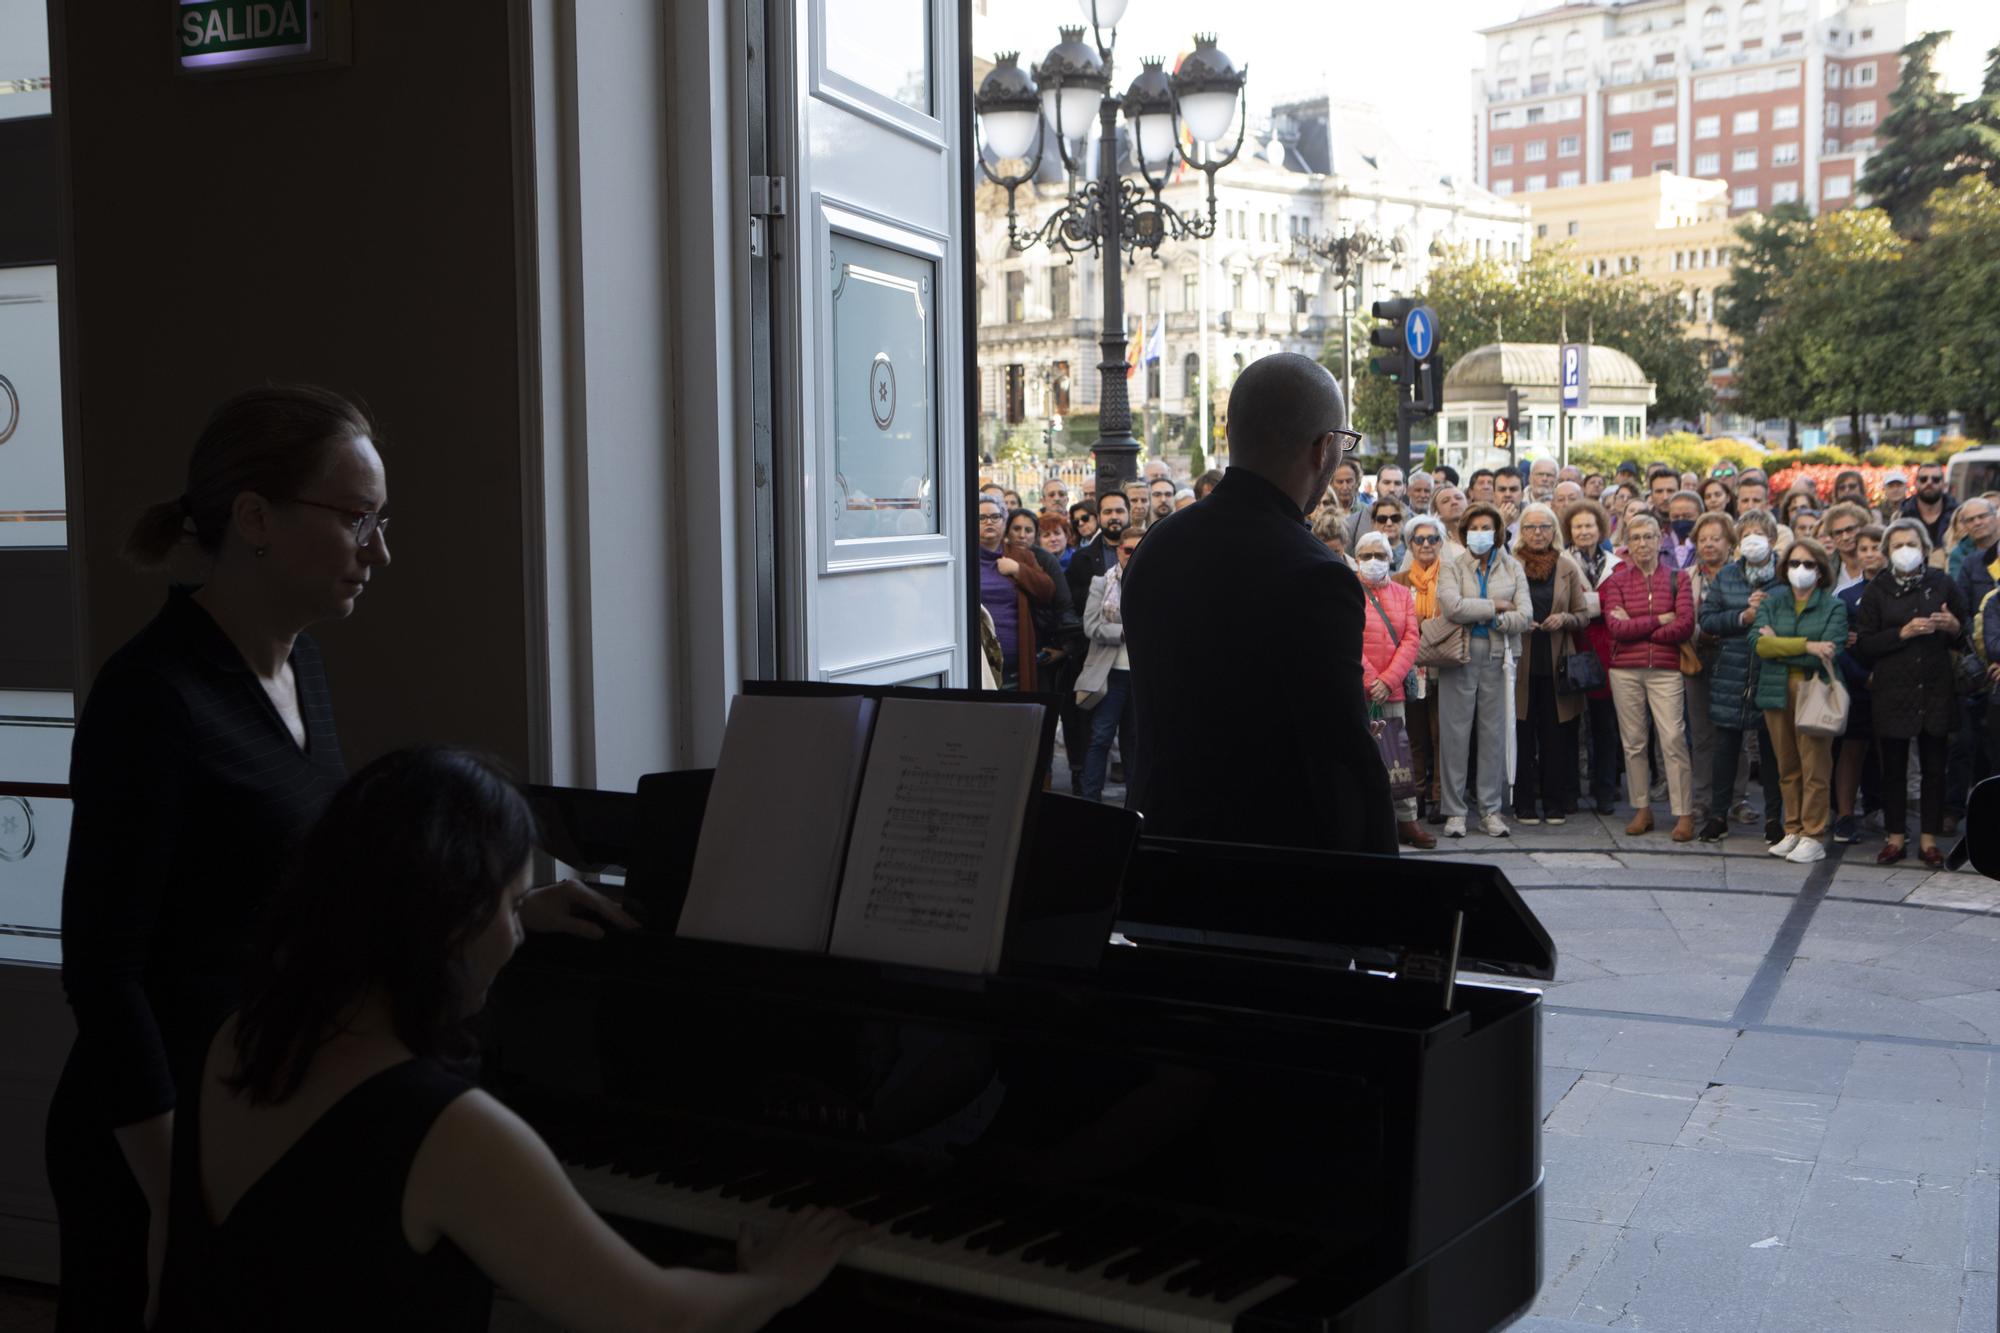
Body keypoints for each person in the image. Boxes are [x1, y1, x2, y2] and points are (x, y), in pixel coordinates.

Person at [49, 386, 628, 1331]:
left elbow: (322, 898)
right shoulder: (149, 698)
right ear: (255, 519)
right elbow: (104, 976)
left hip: (254, 1112)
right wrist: (173, 1198)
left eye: (381, 520)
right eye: (359, 518)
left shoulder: (298, 668)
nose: (380, 549)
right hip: (149, 1137)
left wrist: (510, 913)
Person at [158, 748, 860, 1330]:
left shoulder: (238, 1039)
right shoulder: (448, 1132)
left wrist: (509, 907)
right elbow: (662, 1318)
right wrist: (775, 1281)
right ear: (449, 922)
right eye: (509, 903)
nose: (518, 929)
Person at [1121, 352, 1397, 854]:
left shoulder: (1158, 545)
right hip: (1266, 865)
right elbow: (1340, 758)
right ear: (1323, 449)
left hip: (1161, 844)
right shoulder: (1318, 575)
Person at [1853, 519, 1966, 866]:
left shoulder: (1942, 583)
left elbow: (1964, 632)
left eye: (1911, 544)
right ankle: (1896, 837)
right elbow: (1864, 643)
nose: (1905, 551)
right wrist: (1901, 633)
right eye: (1898, 545)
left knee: (1934, 767)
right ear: (1887, 552)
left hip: (1934, 685)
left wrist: (1953, 627)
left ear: (1924, 547)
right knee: (1894, 767)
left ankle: (1929, 840)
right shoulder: (1877, 589)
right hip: (1893, 687)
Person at [1436, 502, 1532, 838]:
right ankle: (1455, 812)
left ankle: (1491, 811)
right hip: (1457, 655)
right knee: (1454, 735)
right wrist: (1495, 605)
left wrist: (1491, 617)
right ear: (1464, 533)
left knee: (1494, 735)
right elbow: (1452, 607)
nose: (1480, 533)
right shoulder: (1451, 567)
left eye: (1485, 527)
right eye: (1473, 527)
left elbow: (1525, 617)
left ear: (1497, 532)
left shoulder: (1512, 567)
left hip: (1499, 655)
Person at [1599, 513, 1697, 840]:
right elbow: (1616, 628)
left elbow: (1684, 624)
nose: (1643, 543)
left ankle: (1683, 811)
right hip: (1625, 670)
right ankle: (1642, 809)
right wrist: (1658, 620)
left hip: (1666, 670)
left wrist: (1639, 627)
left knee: (1672, 739)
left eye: (1649, 536)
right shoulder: (1614, 582)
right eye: (1636, 537)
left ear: (1660, 540)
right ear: (1628, 542)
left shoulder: (1678, 579)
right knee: (1634, 743)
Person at [1754, 536, 1848, 863]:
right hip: (1776, 691)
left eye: (1808, 564)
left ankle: (1813, 833)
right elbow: (1760, 645)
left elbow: (1830, 650)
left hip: (1814, 690)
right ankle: (1792, 828)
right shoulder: (1772, 602)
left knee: (1815, 767)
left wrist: (1781, 644)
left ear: (1820, 571)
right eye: (1794, 563)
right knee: (1787, 765)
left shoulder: (1833, 606)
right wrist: (1807, 646)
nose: (1800, 570)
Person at [1697, 510, 1785, 842]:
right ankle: (1719, 815)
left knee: (1771, 749)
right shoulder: (1728, 576)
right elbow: (1708, 618)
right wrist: (1742, 617)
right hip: (1731, 672)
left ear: (1773, 540)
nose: (1752, 540)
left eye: (1759, 534)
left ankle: (1775, 817)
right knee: (1725, 749)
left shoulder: (1785, 577)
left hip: (1770, 672)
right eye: (1746, 534)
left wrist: (1769, 613)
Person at [1510, 503, 1588, 824]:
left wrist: (1564, 617)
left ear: (1554, 531)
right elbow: (1499, 607)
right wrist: (1517, 620)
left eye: (1544, 527)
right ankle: (1524, 803)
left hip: (1557, 664)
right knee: (1523, 736)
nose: (1537, 533)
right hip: (1521, 664)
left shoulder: (1566, 565)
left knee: (1556, 738)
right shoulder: (1510, 564)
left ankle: (1555, 803)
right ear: (1521, 532)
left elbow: (1583, 615)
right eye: (1530, 527)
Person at [1354, 529, 1432, 848]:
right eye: (1367, 556)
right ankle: (1363, 820)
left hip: (1392, 688)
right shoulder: (1348, 589)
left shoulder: (1402, 593)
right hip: (1358, 688)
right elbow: (1347, 635)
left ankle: (1406, 821)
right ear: (1356, 559)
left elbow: (1412, 638)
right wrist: (1371, 679)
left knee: (1396, 756)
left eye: (1381, 555)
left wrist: (1388, 680)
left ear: (1391, 558)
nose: (1374, 561)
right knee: (1360, 754)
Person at [1566, 499, 1625, 816]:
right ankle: (1571, 790)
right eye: (1578, 526)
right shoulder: (1563, 562)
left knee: (1605, 725)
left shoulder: (1616, 563)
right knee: (1571, 725)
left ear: (1600, 528)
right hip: (1573, 646)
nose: (1584, 531)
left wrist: (1591, 606)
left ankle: (1605, 789)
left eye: (1589, 525)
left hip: (1609, 649)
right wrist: (1597, 606)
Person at [1077, 525, 1143, 804]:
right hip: (1110, 673)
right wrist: (1126, 633)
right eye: (1128, 550)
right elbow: (1091, 626)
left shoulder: (1154, 582)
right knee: (1101, 737)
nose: (1133, 555)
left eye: (1139, 550)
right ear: (1119, 551)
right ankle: (1091, 799)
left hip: (1140, 676)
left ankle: (1134, 804)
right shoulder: (1102, 583)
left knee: (1134, 742)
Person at [1832, 523, 1886, 844]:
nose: (1869, 553)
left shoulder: (1897, 590)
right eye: (1864, 548)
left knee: (1889, 751)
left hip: (1893, 682)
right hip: (1857, 682)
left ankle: (1887, 813)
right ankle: (1844, 815)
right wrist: (1862, 676)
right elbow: (1838, 642)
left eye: (1876, 547)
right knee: (1851, 749)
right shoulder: (1845, 594)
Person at [1396, 513, 1449, 824]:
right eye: (1420, 539)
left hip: (1444, 666)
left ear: (1441, 543)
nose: (1426, 544)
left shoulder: (1452, 577)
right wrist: (1422, 625)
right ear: (1410, 545)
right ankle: (1416, 796)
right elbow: (1397, 623)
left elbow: (1453, 618)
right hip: (1411, 669)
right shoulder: (1400, 581)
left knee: (1442, 735)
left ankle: (1440, 797)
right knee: (1414, 736)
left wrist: (1421, 627)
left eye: (1432, 539)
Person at [1684, 512, 1737, 826]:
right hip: (1697, 657)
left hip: (1734, 659)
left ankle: (1737, 798)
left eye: (1715, 538)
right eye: (1702, 539)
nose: (1709, 544)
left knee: (1734, 732)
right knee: (1702, 733)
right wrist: (1699, 634)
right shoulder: (1687, 576)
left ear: (1730, 543)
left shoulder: (1740, 576)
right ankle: (1702, 798)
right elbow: (1681, 617)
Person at [976, 497, 1053, 690]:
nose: (989, 522)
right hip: (977, 664)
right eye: (982, 517)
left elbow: (1047, 590)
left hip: (1015, 663)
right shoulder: (963, 554)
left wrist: (1018, 569)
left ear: (1004, 522)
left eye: (995, 516)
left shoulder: (1020, 555)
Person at [1066, 492, 1125, 613]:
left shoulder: (1145, 546)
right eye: (1076, 522)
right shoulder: (1080, 557)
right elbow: (1075, 597)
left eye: (1085, 518)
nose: (1081, 523)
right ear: (1099, 517)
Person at [1901, 462, 1957, 550]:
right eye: (1923, 479)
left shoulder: (1958, 515)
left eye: (1936, 479)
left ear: (1944, 484)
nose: (1929, 483)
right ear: (1916, 483)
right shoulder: (1902, 516)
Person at [1661, 490, 1703, 572]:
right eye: (1675, 517)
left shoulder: (1708, 547)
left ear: (1700, 516)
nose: (1681, 520)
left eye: (1687, 516)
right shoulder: (1660, 547)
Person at [1365, 496, 1408, 567]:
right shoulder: (1364, 552)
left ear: (1402, 520)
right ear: (1373, 523)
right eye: (1382, 519)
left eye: (1395, 518)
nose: (1389, 523)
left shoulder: (1413, 552)